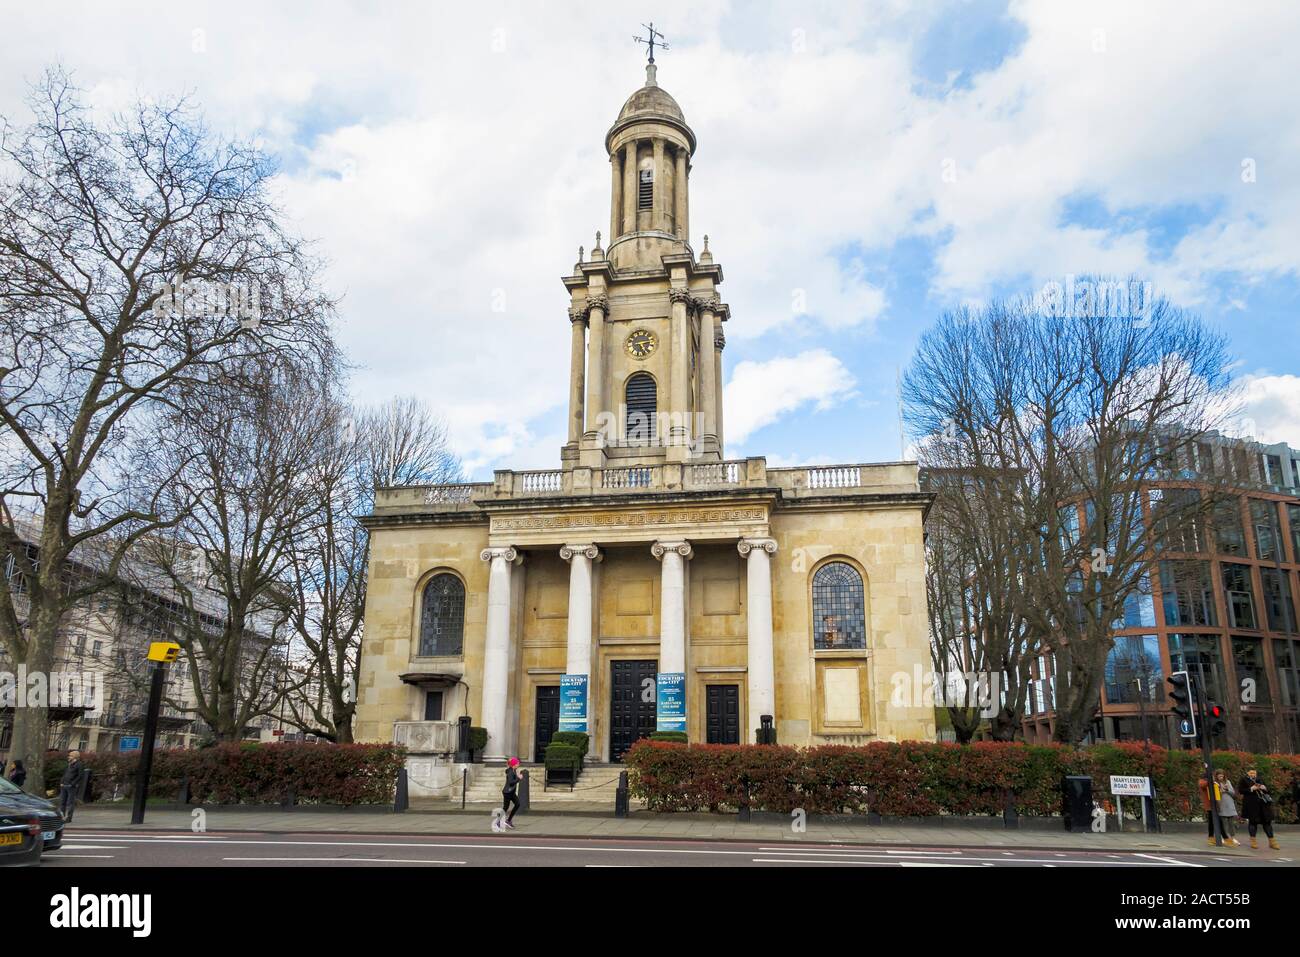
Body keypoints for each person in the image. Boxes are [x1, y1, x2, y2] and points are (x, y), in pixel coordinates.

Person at [1238, 767, 1280, 850]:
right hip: (1251, 804)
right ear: (1247, 773)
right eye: (1251, 773)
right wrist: (1251, 789)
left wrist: (1264, 788)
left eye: (1254, 773)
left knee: (1267, 822)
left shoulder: (1260, 779)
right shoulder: (1243, 780)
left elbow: (1268, 790)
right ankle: (1253, 841)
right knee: (1253, 822)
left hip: (1263, 805)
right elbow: (1240, 790)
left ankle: (1272, 842)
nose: (1253, 774)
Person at [1213, 769, 1240, 847]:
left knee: (1231, 822)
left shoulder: (1228, 782)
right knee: (1223, 822)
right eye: (1219, 775)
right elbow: (1215, 795)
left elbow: (1233, 793)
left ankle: (1232, 838)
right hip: (1221, 804)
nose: (1221, 776)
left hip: (1229, 804)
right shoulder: (1215, 784)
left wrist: (1227, 789)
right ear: (1216, 776)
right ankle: (1223, 837)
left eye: (1222, 775)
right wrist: (1220, 791)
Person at [497, 757, 521, 831]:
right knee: (505, 808)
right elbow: (511, 782)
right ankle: (498, 821)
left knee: (517, 804)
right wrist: (519, 778)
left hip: (511, 792)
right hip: (507, 792)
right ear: (514, 764)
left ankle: (508, 820)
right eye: (517, 763)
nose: (519, 764)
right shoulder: (510, 772)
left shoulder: (513, 770)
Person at [59, 750, 84, 821]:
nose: (68, 757)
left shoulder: (79, 764)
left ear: (75, 756)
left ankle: (69, 818)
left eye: (70, 756)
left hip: (71, 786)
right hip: (64, 785)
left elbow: (80, 775)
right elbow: (65, 774)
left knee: (70, 803)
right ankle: (61, 817)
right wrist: (62, 782)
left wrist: (72, 783)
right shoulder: (69, 764)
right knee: (62, 802)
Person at [1197, 770, 1219, 846]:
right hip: (1209, 805)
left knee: (1216, 821)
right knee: (1211, 822)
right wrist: (1210, 781)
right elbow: (1202, 785)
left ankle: (1216, 837)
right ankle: (1211, 837)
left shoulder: (1213, 782)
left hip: (1216, 804)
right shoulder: (1203, 781)